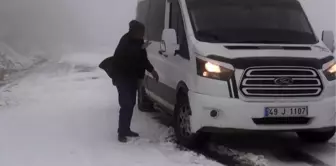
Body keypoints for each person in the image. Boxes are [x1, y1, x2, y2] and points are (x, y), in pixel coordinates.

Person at [111, 20, 159, 143]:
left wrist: (152, 70)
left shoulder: (139, 42)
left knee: (131, 104)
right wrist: (139, 49)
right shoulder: (125, 41)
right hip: (122, 77)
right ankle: (121, 132)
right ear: (134, 31)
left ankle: (126, 129)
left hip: (133, 78)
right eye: (141, 32)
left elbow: (143, 59)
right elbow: (122, 60)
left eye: (143, 32)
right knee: (125, 104)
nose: (143, 35)